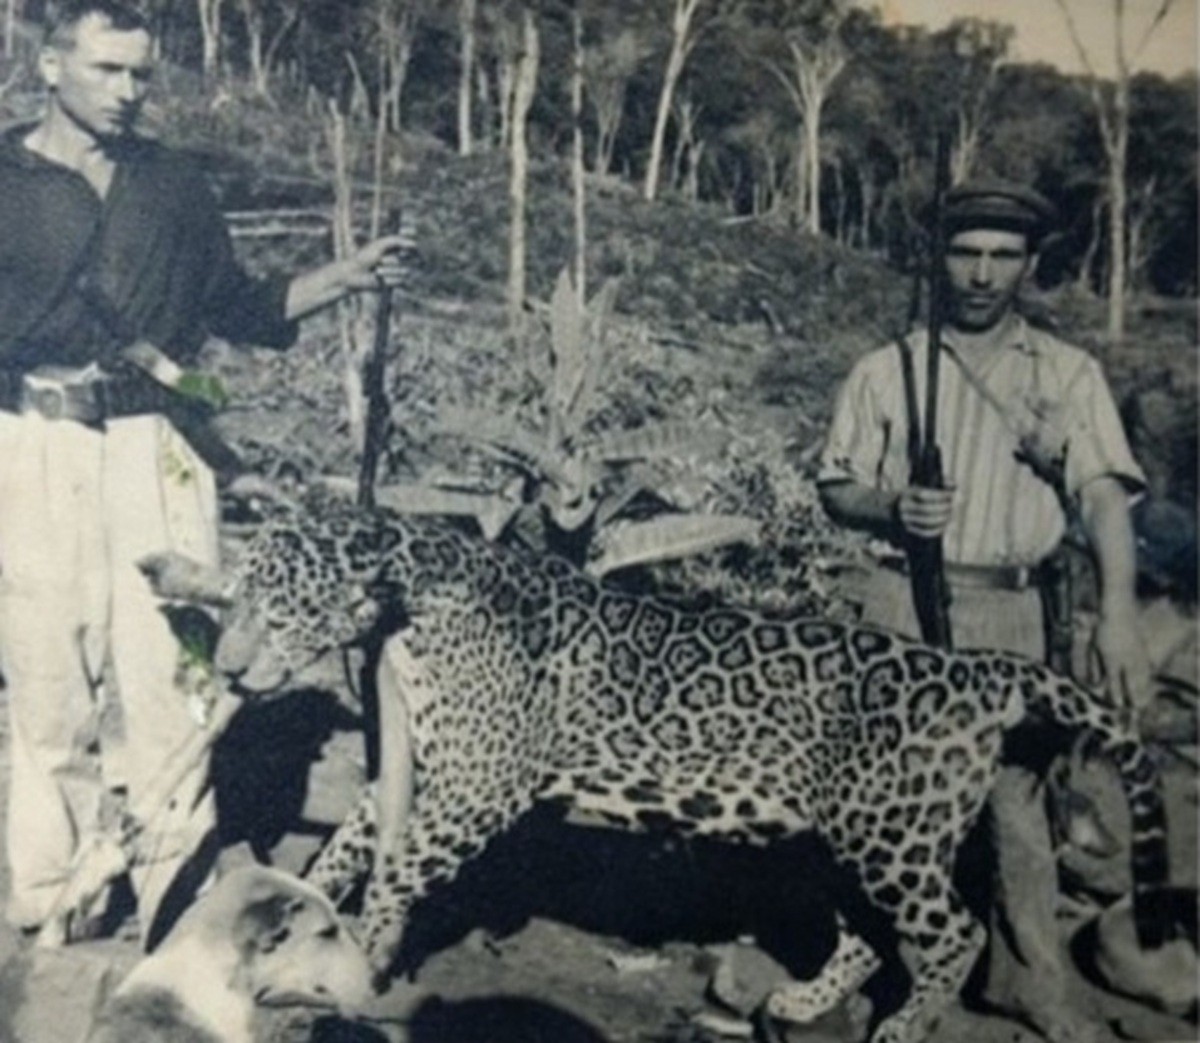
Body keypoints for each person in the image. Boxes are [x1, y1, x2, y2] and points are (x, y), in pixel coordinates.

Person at [0, 0, 409, 946]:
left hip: (157, 448)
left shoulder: (173, 185)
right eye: (107, 69)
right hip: (34, 441)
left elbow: (242, 304)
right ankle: (52, 894)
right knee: (46, 673)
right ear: (50, 66)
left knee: (172, 671)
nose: (128, 91)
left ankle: (170, 893)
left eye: (141, 73)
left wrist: (343, 276)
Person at [817, 178, 1151, 1040]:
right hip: (899, 602)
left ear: (1029, 265)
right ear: (940, 258)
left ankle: (1028, 978)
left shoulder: (1068, 374)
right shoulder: (885, 368)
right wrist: (888, 507)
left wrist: (1117, 614)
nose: (981, 273)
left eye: (1003, 256)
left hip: (1012, 609)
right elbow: (837, 484)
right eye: (966, 252)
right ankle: (867, 966)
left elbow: (1106, 497)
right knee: (875, 796)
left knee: (1014, 802)